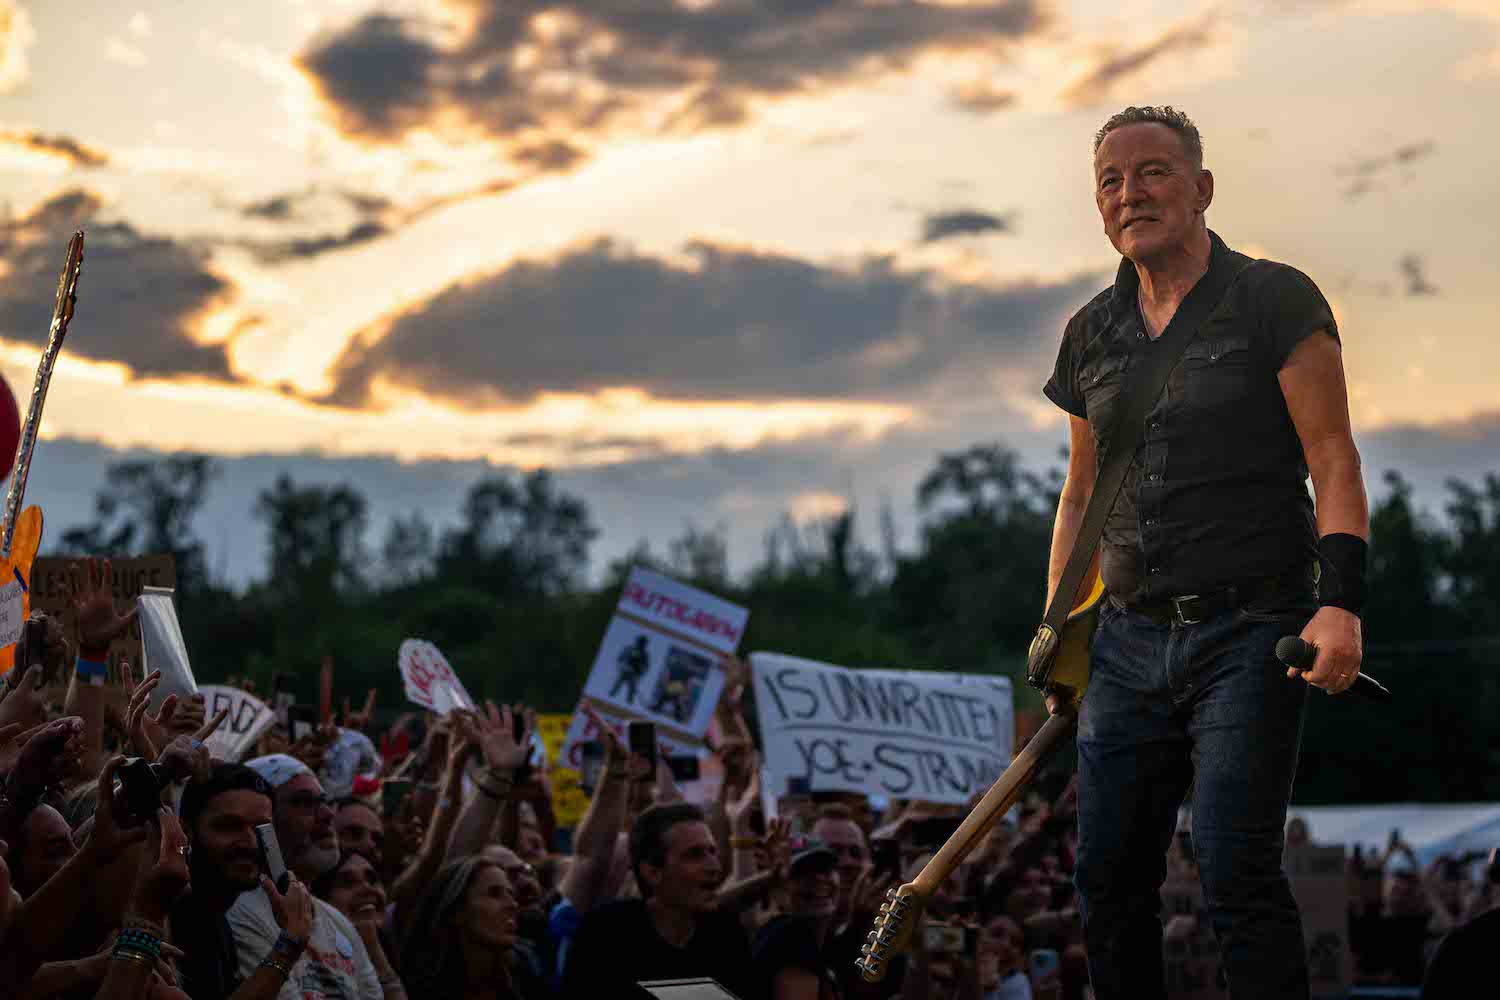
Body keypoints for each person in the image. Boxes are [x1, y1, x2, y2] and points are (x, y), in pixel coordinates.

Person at [1042, 105, 1367, 1000]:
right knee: (1106, 885)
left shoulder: (1275, 297)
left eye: (1152, 171)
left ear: (1203, 188)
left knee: (1234, 874)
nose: (1128, 192)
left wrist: (1339, 603)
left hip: (1252, 628)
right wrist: (1059, 632)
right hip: (1123, 640)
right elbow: (1079, 495)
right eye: (1110, 180)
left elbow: (1332, 456)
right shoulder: (1089, 334)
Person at [227, 754, 402, 998]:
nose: (328, 814)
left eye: (324, 801)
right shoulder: (242, 912)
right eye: (304, 802)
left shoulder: (339, 924)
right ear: (263, 824)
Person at [560, 802, 752, 999]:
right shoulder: (606, 935)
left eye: (712, 852)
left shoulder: (725, 932)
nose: (714, 866)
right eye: (694, 855)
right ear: (652, 872)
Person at [171, 762, 317, 1000]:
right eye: (229, 826)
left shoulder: (218, 918)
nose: (249, 843)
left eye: (261, 829)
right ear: (186, 830)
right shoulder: (171, 911)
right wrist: (288, 945)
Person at [398, 855, 540, 999]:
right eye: (495, 894)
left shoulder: (525, 976)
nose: (513, 905)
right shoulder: (417, 988)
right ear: (456, 911)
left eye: (512, 894)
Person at [754, 835, 845, 1000]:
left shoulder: (829, 944)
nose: (818, 878)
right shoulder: (788, 938)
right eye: (802, 873)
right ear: (778, 888)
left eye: (825, 869)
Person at [610, 636, 650, 703]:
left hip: (634, 674)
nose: (641, 644)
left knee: (631, 692)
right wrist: (622, 667)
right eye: (640, 642)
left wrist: (639, 673)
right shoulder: (629, 649)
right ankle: (610, 698)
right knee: (616, 686)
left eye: (643, 643)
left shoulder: (645, 655)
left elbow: (646, 667)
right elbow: (620, 658)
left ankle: (629, 704)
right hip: (625, 670)